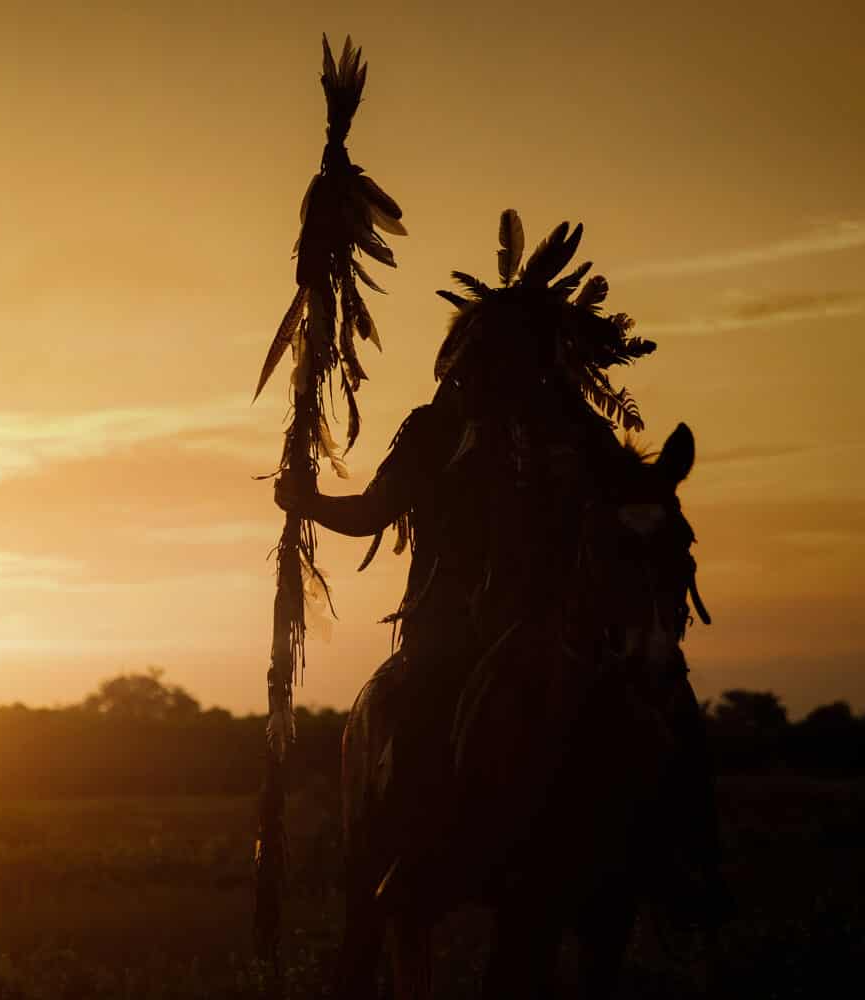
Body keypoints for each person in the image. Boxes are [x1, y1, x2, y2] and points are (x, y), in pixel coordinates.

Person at [274, 211, 729, 924]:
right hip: (452, 619)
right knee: (419, 700)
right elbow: (371, 512)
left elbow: (632, 500)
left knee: (667, 696)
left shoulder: (578, 431)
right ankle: (411, 852)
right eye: (491, 354)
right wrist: (308, 502)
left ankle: (687, 854)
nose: (501, 369)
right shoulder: (433, 433)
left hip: (563, 615)